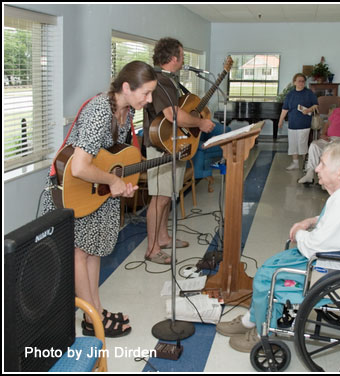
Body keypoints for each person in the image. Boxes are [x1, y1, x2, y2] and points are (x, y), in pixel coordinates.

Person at [216, 143, 340, 353]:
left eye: (322, 164)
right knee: (271, 263)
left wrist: (299, 232)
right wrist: (311, 220)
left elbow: (315, 247)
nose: (317, 168)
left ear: (339, 172)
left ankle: (262, 330)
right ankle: (252, 318)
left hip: (331, 270)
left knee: (266, 276)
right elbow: (338, 223)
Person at [41, 60, 158, 337]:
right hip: (76, 189)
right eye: (146, 93)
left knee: (93, 250)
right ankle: (92, 317)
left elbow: (115, 156)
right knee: (79, 253)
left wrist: (123, 184)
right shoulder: (99, 111)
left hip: (98, 191)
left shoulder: (126, 111)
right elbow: (80, 167)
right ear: (127, 87)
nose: (150, 99)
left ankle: (94, 311)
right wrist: (114, 180)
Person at [143, 37, 215, 264]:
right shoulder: (160, 80)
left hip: (174, 144)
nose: (183, 60)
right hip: (160, 147)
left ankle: (163, 238)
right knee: (159, 199)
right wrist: (201, 124)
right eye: (182, 56)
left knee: (167, 197)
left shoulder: (169, 81)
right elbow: (172, 115)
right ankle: (152, 249)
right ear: (173, 58)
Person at [298, 91, 340, 183]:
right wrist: (323, 134)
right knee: (314, 145)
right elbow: (328, 123)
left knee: (331, 149)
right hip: (329, 139)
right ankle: (309, 174)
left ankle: (328, 179)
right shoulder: (337, 110)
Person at [277, 73, 318, 170]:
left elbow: (316, 105)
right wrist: (280, 120)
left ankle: (306, 164)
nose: (301, 83)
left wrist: (308, 110)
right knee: (293, 144)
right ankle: (295, 163)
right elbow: (285, 109)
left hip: (304, 123)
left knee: (302, 143)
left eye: (303, 81)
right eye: (299, 81)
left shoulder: (309, 93)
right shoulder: (290, 94)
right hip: (292, 123)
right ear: (294, 82)